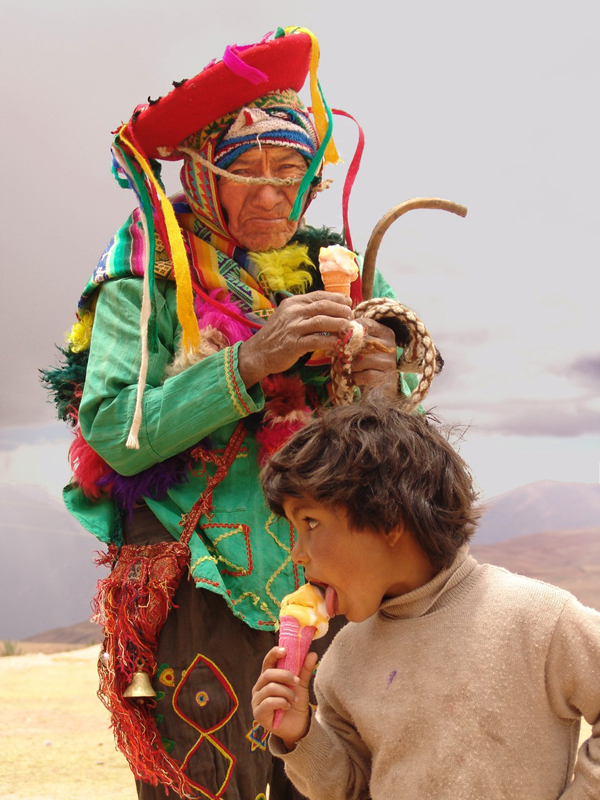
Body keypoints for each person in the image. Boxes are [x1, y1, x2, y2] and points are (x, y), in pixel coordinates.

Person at [42, 27, 415, 800]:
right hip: (199, 594)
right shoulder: (142, 275)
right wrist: (248, 362)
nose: (278, 193)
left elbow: (371, 424)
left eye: (293, 170)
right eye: (251, 172)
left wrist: (385, 387)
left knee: (343, 777)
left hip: (333, 591)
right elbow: (111, 428)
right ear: (203, 175)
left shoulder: (322, 268)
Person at [253, 397, 600, 799]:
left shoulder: (538, 620)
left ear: (388, 520)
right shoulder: (342, 661)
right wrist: (301, 736)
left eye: (310, 522)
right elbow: (348, 788)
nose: (296, 553)